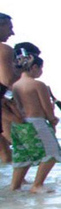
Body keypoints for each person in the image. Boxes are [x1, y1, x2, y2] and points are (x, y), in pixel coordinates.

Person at [9, 55, 61, 192]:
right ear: (34, 67)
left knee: (23, 155)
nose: (41, 71)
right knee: (52, 153)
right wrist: (53, 120)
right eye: (41, 68)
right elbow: (46, 107)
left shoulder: (15, 85)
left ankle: (15, 186)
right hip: (37, 122)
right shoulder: (38, 84)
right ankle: (37, 185)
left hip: (20, 124)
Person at [0, 14, 18, 162]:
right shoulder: (4, 49)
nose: (12, 33)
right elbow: (7, 80)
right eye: (9, 28)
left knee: (4, 152)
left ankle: (12, 185)